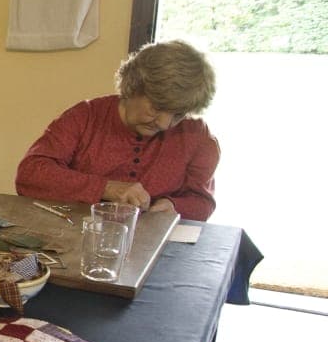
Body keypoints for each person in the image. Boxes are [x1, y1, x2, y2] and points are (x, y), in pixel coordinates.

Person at [15, 40, 219, 221]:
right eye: (157, 107)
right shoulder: (85, 116)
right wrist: (105, 188)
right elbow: (30, 174)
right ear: (132, 86)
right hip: (79, 235)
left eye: (178, 115)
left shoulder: (197, 136)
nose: (164, 124)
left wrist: (174, 206)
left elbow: (202, 203)